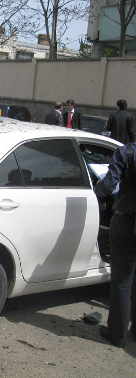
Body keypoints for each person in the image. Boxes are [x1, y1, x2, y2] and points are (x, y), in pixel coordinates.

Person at [94, 141, 136, 348]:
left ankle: (117, 334)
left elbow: (109, 185)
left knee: (123, 279)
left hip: (127, 221)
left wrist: (96, 191)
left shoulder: (126, 152)